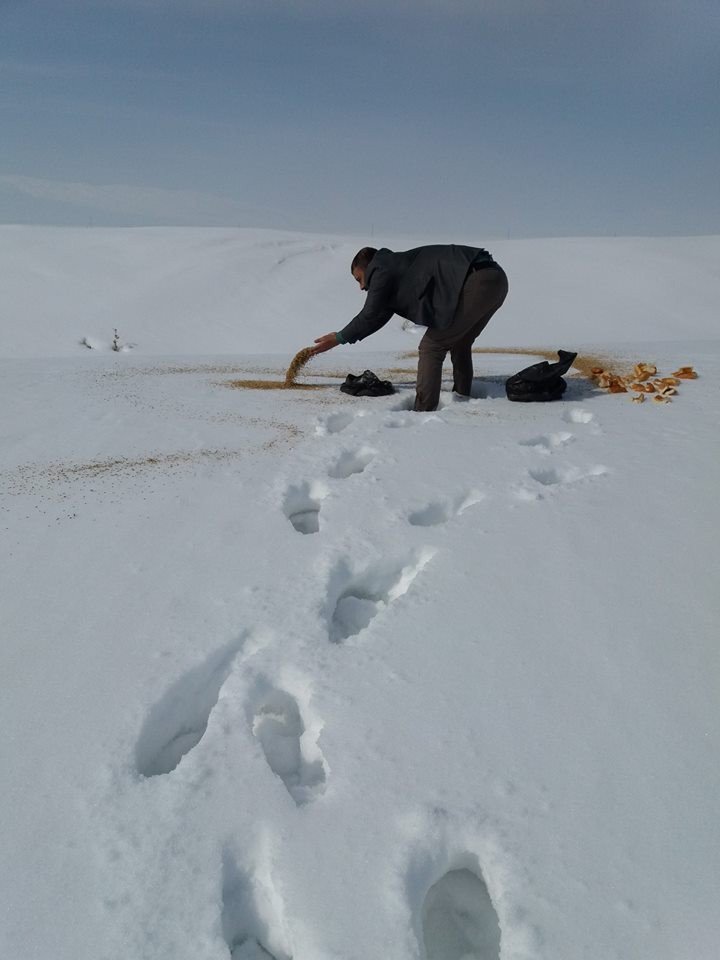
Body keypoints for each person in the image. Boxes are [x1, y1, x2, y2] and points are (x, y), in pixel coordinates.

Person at [312, 244, 508, 411]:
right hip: (495, 279)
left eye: (359, 279)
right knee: (460, 341)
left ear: (367, 267)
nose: (361, 287)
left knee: (431, 347)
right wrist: (344, 337)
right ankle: (462, 398)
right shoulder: (394, 266)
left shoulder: (381, 268)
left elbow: (370, 314)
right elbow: (378, 316)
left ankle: (423, 411)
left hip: (477, 281)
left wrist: (338, 338)